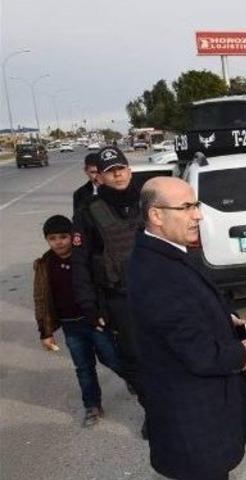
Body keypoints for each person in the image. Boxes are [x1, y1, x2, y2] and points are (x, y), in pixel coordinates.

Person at [127, 177, 246, 480]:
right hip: (193, 419)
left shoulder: (168, 252)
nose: (198, 215)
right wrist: (240, 354)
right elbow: (199, 352)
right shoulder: (154, 272)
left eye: (197, 206)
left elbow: (199, 299)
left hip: (203, 410)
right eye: (187, 207)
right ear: (156, 215)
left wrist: (226, 316)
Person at [71, 146, 146, 433]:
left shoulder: (148, 200)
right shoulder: (88, 212)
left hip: (155, 292)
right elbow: (81, 265)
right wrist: (89, 306)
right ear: (99, 177)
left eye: (121, 168)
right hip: (120, 298)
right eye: (110, 171)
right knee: (134, 359)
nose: (118, 175)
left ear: (129, 169)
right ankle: (152, 409)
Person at [32, 215, 123, 428]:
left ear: (73, 237)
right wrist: (45, 332)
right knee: (83, 367)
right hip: (70, 325)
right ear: (47, 240)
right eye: (52, 238)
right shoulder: (44, 265)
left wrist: (106, 314)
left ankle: (135, 381)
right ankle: (92, 405)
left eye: (64, 236)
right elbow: (41, 299)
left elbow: (102, 287)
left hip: (94, 321)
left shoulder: (84, 259)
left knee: (112, 358)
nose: (59, 242)